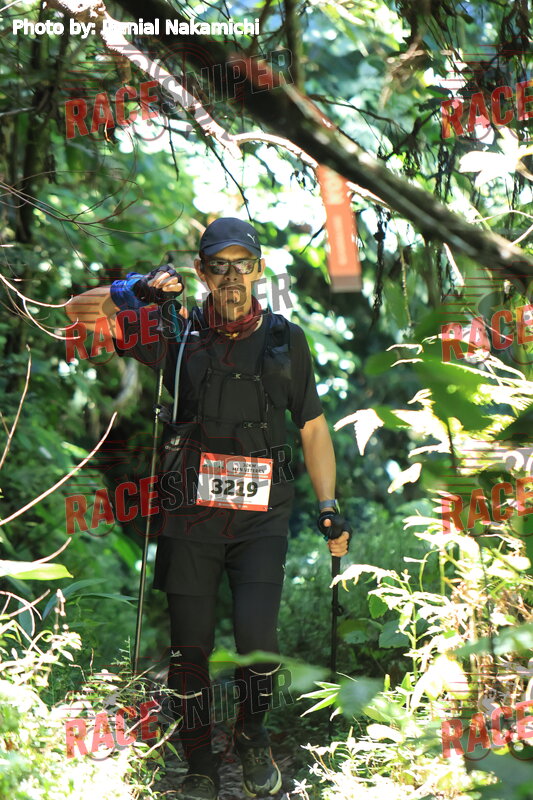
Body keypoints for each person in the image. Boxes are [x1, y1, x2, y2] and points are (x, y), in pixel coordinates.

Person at [65, 217, 351, 800]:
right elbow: (77, 312)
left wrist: (329, 504)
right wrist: (133, 289)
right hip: (188, 515)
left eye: (242, 265)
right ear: (201, 272)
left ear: (259, 270)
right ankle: (198, 760)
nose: (231, 277)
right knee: (189, 648)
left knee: (257, 639)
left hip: (262, 517)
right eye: (219, 266)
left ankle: (251, 735)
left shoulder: (286, 340)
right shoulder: (174, 331)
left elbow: (313, 427)